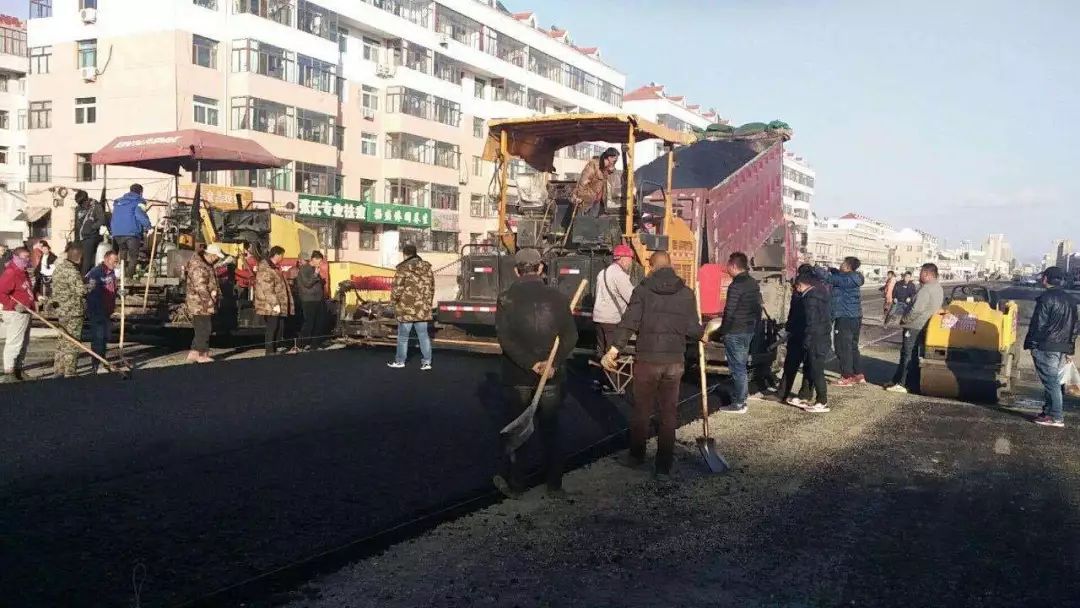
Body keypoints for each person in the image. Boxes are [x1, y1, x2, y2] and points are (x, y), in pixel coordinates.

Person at [603, 251, 702, 478]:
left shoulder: (643, 291)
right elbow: (692, 329)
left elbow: (629, 322)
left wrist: (614, 349)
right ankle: (663, 465)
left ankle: (637, 456)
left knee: (642, 410)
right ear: (671, 265)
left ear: (651, 266)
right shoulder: (687, 294)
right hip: (674, 362)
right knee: (668, 412)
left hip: (647, 360)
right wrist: (702, 333)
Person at [494, 248, 578, 498]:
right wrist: (552, 364)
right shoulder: (559, 297)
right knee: (551, 430)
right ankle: (554, 485)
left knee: (519, 431)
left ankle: (517, 484)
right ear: (541, 268)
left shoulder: (505, 299)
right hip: (552, 377)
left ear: (516, 270)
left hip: (518, 376)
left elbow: (505, 339)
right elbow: (570, 336)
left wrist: (531, 364)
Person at [1024, 266, 1079, 428]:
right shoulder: (1071, 300)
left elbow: (1038, 325)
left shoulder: (1046, 298)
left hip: (1046, 346)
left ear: (1046, 279)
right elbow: (1074, 327)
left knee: (1051, 382)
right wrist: (1070, 348)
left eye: (1043, 277)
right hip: (1061, 346)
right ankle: (1048, 412)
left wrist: (1032, 344)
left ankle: (1056, 416)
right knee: (1054, 381)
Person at [886, 263, 944, 394]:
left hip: (914, 326)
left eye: (922, 273)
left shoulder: (926, 289)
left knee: (908, 354)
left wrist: (904, 319)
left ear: (928, 274)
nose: (919, 275)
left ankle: (903, 383)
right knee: (911, 354)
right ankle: (898, 380)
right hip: (924, 325)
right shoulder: (938, 288)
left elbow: (916, 309)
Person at [716, 252, 762, 414]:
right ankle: (742, 397)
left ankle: (739, 403)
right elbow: (758, 308)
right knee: (741, 365)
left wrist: (723, 331)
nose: (726, 268)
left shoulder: (736, 286)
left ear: (734, 266)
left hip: (735, 331)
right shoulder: (752, 283)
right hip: (747, 330)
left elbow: (730, 311)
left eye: (728, 264)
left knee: (737, 368)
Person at [782, 272, 832, 412]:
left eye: (796, 287)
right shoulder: (821, 294)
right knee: (812, 368)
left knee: (816, 371)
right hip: (822, 337)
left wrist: (808, 340)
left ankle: (822, 401)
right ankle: (806, 396)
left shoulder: (809, 298)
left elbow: (812, 321)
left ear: (800, 285)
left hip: (815, 339)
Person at [591, 244, 635, 393]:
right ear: (622, 259)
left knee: (601, 350)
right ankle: (612, 384)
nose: (630, 262)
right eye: (630, 259)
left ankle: (599, 380)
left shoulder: (602, 273)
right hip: (612, 319)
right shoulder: (620, 275)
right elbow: (632, 297)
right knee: (612, 352)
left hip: (599, 317)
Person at [388, 243, 435, 370]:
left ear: (405, 254)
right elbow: (431, 288)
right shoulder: (427, 267)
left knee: (403, 337)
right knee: (424, 336)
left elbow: (397, 289)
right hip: (422, 309)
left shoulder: (403, 268)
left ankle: (400, 361)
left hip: (406, 308)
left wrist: (392, 303)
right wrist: (428, 303)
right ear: (415, 253)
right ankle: (427, 362)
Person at [50, 243, 88, 378]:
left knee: (62, 340)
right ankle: (70, 371)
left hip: (61, 310)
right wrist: (91, 286)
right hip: (73, 311)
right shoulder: (72, 271)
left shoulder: (59, 268)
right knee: (72, 341)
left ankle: (58, 369)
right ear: (79, 257)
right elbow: (80, 290)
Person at [828, 256, 865, 386]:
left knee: (842, 347)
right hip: (855, 317)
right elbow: (838, 276)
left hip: (845, 317)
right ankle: (858, 374)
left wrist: (817, 270)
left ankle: (846, 376)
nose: (840, 265)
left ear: (848, 266)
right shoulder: (854, 277)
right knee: (853, 346)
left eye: (842, 263)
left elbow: (829, 279)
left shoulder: (845, 279)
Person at [0, 246, 35, 383]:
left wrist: (36, 297)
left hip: (26, 312)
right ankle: (9, 372)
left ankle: (19, 369)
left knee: (24, 343)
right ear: (17, 258)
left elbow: (27, 289)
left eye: (28, 257)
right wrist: (14, 304)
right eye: (25, 257)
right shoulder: (11, 272)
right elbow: (1, 293)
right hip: (15, 313)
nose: (28, 260)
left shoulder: (23, 272)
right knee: (14, 342)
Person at [185, 244, 223, 364]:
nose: (217, 259)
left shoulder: (205, 264)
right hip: (200, 302)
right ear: (211, 255)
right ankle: (202, 354)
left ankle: (194, 353)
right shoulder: (199, 266)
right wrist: (209, 301)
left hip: (201, 301)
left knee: (201, 327)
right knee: (205, 328)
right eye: (216, 257)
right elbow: (200, 286)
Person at [254, 246, 293, 356]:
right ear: (277, 255)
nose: (282, 257)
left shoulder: (274, 267)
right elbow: (268, 288)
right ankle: (270, 350)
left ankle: (274, 348)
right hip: (270, 304)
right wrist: (275, 303)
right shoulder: (266, 268)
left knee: (278, 326)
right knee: (272, 326)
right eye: (282, 255)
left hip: (276, 303)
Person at [85, 251, 119, 374]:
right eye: (113, 261)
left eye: (116, 261)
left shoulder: (112, 273)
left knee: (105, 337)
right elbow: (90, 291)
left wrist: (119, 293)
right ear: (106, 259)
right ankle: (96, 364)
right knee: (98, 338)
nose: (115, 264)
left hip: (107, 311)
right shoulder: (96, 273)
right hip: (97, 310)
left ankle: (103, 361)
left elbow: (112, 288)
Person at [110, 184, 151, 279]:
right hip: (131, 233)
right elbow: (139, 215)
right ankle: (128, 278)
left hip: (117, 232)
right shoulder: (139, 201)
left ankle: (122, 278)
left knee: (123, 255)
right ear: (141, 192)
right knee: (133, 256)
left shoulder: (119, 202)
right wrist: (148, 226)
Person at [572, 147, 619, 217]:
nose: (616, 162)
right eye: (615, 160)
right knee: (583, 223)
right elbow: (583, 181)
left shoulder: (606, 168)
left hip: (597, 200)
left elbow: (610, 176)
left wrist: (611, 168)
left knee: (592, 223)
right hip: (586, 200)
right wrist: (580, 196)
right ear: (609, 157)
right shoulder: (593, 165)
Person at [295, 250, 328, 351]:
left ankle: (314, 344)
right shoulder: (304, 269)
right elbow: (307, 284)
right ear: (314, 259)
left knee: (318, 322)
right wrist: (315, 275)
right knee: (309, 323)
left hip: (317, 299)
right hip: (309, 300)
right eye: (320, 261)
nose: (320, 263)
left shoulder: (314, 269)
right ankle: (300, 344)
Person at [73, 190, 106, 275]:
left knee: (87, 260)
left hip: (90, 237)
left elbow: (102, 220)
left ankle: (83, 278)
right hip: (80, 238)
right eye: (79, 203)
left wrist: (92, 228)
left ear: (86, 200)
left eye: (82, 203)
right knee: (78, 259)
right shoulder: (78, 208)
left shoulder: (96, 206)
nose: (80, 205)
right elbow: (77, 224)